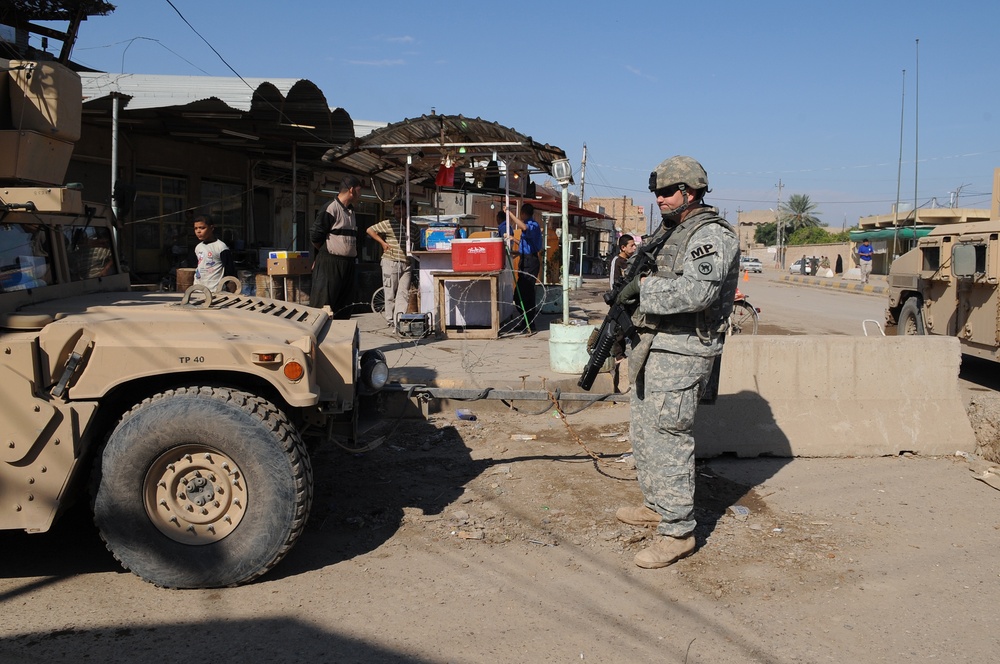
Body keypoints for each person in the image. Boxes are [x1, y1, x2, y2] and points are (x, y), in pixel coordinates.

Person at [613, 156, 739, 569]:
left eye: (667, 192)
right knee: (645, 432)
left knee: (669, 437)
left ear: (691, 191)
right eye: (657, 193)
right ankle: (657, 505)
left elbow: (697, 293)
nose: (660, 199)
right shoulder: (670, 232)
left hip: (683, 351)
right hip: (653, 346)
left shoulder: (710, 235)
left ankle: (678, 530)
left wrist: (643, 290)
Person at [310, 175, 362, 318]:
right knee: (324, 304)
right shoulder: (330, 208)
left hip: (348, 264)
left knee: (344, 305)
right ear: (351, 190)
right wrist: (323, 254)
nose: (360, 195)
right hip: (330, 263)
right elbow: (315, 236)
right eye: (359, 191)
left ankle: (341, 337)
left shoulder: (351, 212)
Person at [366, 200, 412, 326]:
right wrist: (383, 243)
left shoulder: (411, 226)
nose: (398, 211)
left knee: (403, 293)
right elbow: (370, 230)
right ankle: (390, 320)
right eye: (396, 209)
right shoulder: (388, 223)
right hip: (391, 261)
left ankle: (400, 318)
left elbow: (417, 241)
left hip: (406, 263)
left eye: (400, 209)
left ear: (406, 209)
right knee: (390, 292)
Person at [503, 203, 543, 332]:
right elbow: (525, 245)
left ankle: (530, 322)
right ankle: (526, 320)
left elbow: (524, 227)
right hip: (525, 260)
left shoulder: (533, 225)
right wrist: (513, 239)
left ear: (524, 213)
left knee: (526, 293)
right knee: (519, 295)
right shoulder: (528, 229)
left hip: (531, 262)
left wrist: (510, 214)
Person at [192, 215, 235, 291]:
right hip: (197, 290)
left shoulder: (221, 247)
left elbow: (230, 273)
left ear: (211, 228)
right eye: (196, 228)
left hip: (214, 291)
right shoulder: (198, 247)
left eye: (202, 228)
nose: (198, 231)